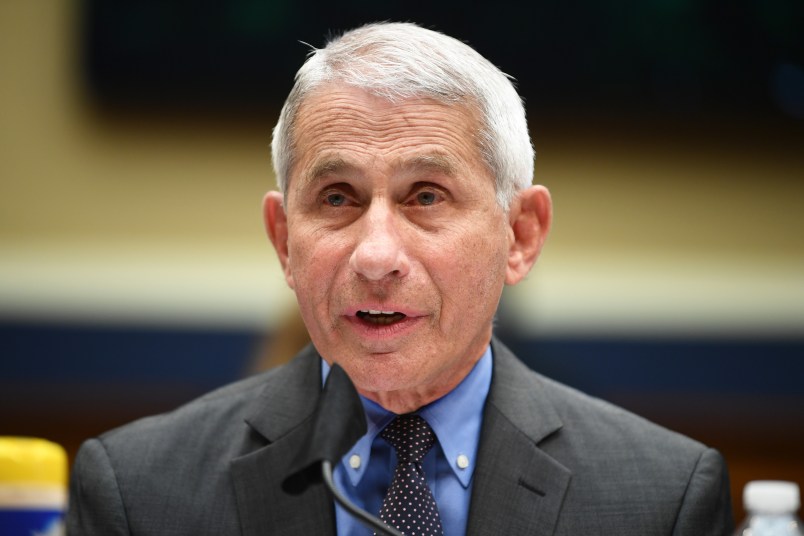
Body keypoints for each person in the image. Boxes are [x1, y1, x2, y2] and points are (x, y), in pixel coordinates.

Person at [66, 22, 734, 535]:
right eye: (337, 198)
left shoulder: (660, 498)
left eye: (426, 196)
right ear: (283, 242)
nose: (376, 255)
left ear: (520, 234)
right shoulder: (139, 491)